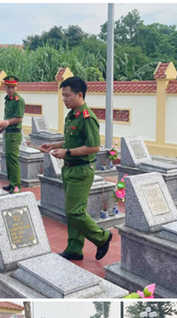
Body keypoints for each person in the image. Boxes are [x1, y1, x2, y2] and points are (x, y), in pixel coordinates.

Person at [32, 76, 112, 262]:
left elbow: (94, 147)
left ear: (79, 94)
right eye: (63, 96)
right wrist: (53, 145)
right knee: (76, 211)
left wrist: (66, 151)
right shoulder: (72, 115)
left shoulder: (87, 117)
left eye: (67, 96)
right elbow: (71, 140)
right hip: (70, 169)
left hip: (81, 170)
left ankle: (102, 237)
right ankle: (74, 248)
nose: (64, 100)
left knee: (73, 212)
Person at [0, 76, 25, 192]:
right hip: (8, 133)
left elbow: (19, 118)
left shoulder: (18, 100)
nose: (11, 90)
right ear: (5, 87)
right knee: (8, 159)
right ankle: (11, 182)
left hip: (14, 134)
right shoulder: (8, 99)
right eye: (8, 87)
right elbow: (8, 118)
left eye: (13, 88)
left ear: (16, 87)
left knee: (13, 160)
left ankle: (16, 185)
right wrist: (2, 129)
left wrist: (4, 124)